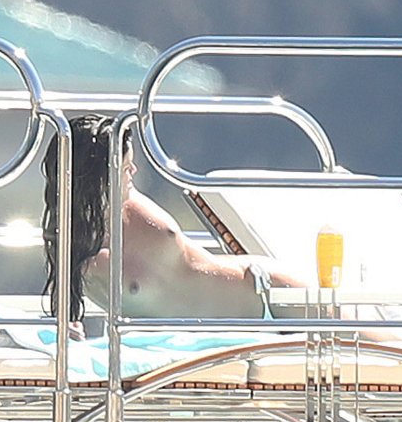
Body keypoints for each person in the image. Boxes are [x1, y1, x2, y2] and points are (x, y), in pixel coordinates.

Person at [43, 113, 309, 323]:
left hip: (264, 292)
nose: (133, 170)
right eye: (125, 167)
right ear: (99, 177)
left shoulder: (126, 203)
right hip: (216, 334)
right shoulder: (75, 244)